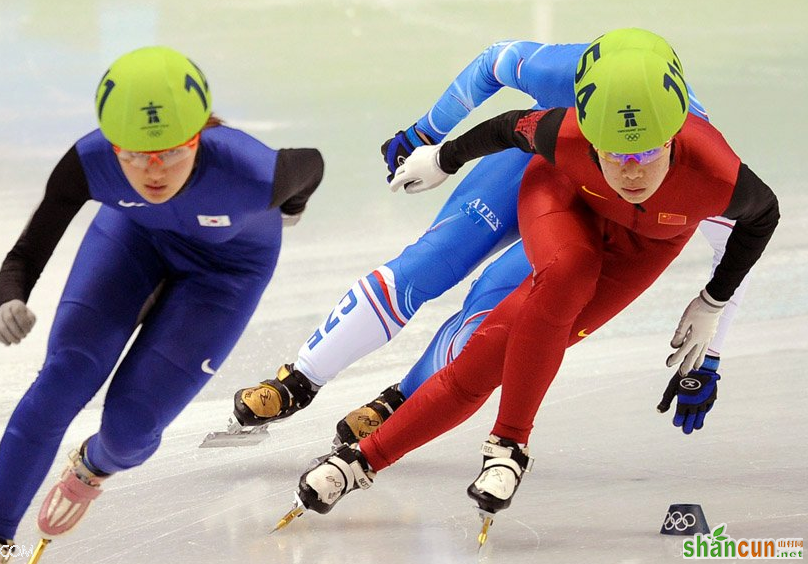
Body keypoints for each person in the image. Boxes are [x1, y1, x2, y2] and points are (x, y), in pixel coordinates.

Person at [289, 28, 779, 531]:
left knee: (498, 348)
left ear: (674, 136)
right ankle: (510, 445)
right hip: (564, 195)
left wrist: (712, 310)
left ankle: (359, 462)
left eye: (647, 153)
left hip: (643, 244)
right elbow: (505, 123)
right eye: (614, 152)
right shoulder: (562, 123)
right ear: (589, 131)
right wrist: (436, 151)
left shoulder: (717, 171)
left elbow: (759, 223)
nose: (632, 172)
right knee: (564, 273)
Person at [226, 31, 747, 447]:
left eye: (642, 153)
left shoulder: (700, 156)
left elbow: (742, 233)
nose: (627, 163)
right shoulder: (569, 74)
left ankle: (402, 398)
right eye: (609, 145)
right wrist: (429, 135)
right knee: (432, 262)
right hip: (540, 156)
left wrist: (711, 343)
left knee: (501, 310)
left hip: (596, 215)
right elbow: (495, 64)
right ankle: (302, 376)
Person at [0, 46, 324, 563]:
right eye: (133, 154)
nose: (154, 171)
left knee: (130, 432)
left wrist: (292, 205)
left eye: (172, 152)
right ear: (113, 144)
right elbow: (27, 251)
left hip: (226, 273)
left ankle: (93, 466)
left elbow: (312, 165)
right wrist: (9, 299)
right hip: (134, 239)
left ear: (198, 137)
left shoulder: (251, 170)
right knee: (63, 378)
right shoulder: (88, 163)